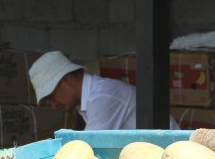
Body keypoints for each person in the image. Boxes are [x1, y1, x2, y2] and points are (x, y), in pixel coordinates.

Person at [29, 51, 178, 130]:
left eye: (50, 97)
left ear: (66, 81)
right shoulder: (91, 99)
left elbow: (87, 150)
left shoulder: (102, 97)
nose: (53, 105)